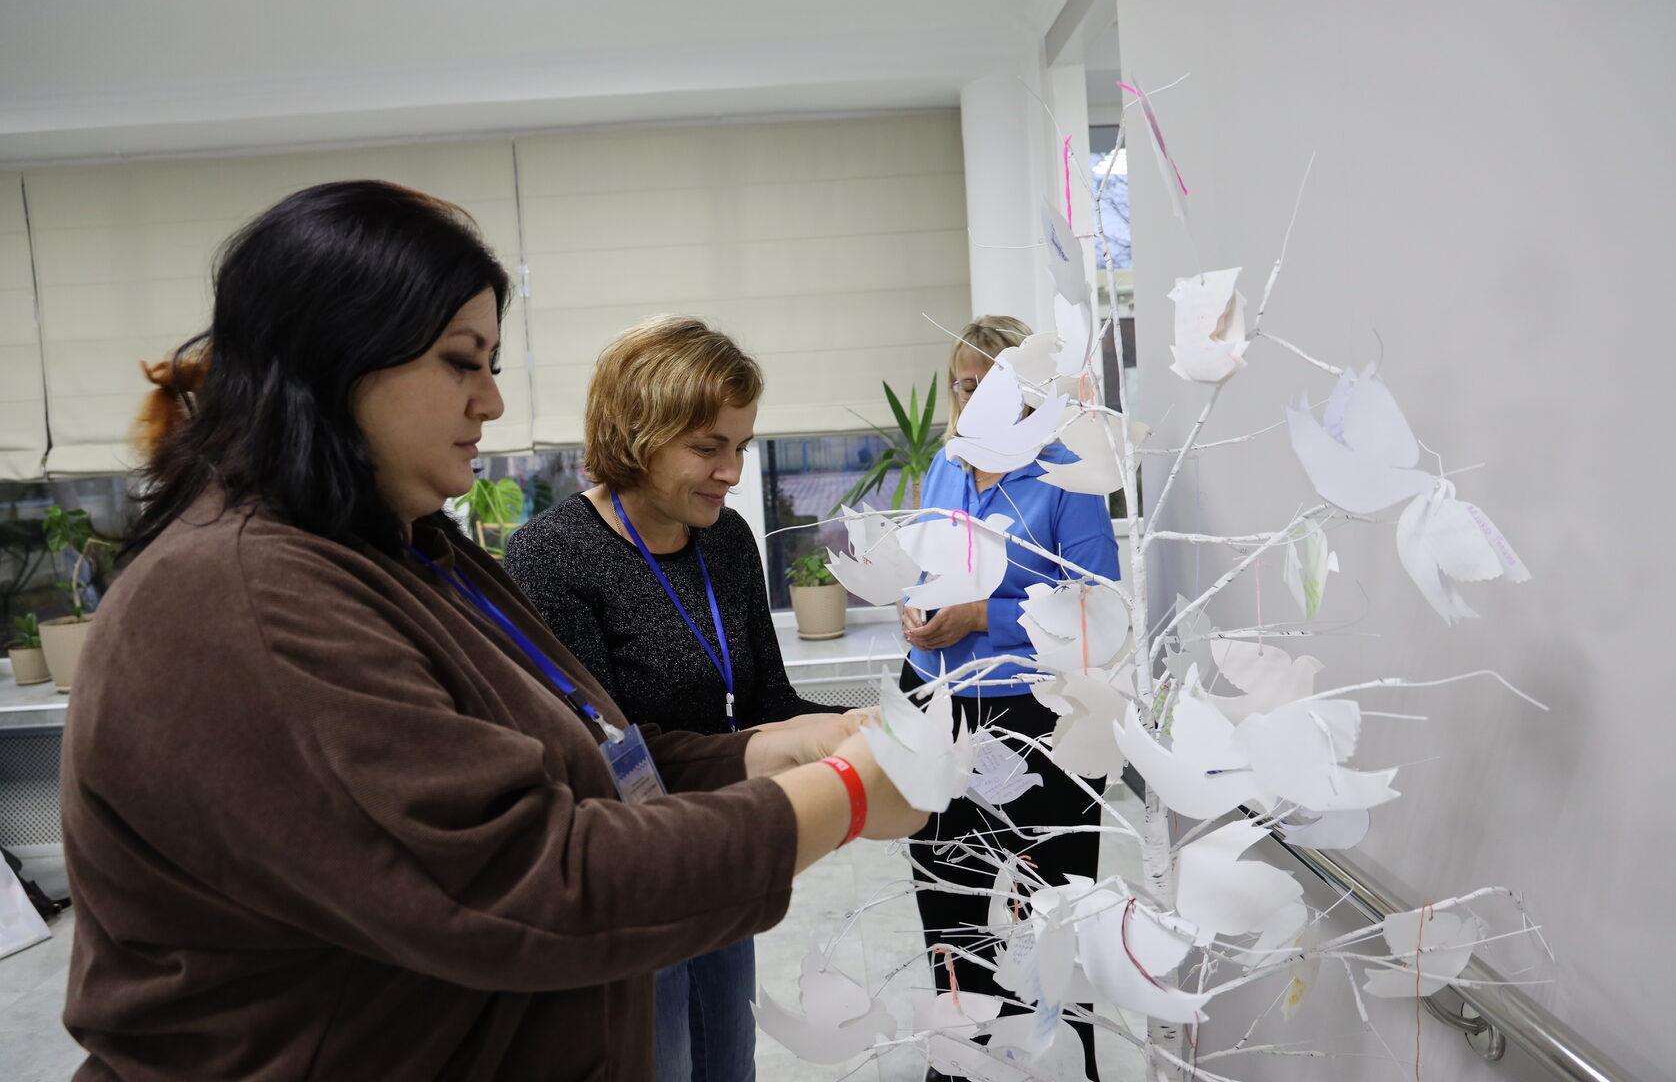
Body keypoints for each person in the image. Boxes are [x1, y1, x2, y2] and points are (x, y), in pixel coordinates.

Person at [58, 180, 926, 1082]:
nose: (492, 403)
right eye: (460, 362)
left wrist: (763, 752)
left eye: (493, 366)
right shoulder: (249, 596)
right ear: (337, 357)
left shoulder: (410, 550)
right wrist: (845, 795)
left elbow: (586, 760)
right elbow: (530, 883)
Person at [504, 316, 837, 1082]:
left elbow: (764, 698)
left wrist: (856, 730)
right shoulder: (552, 556)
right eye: (708, 448)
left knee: (729, 1061)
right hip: (632, 877)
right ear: (637, 435)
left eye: (741, 447)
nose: (732, 472)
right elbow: (597, 756)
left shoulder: (726, 540)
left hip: (717, 850)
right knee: (663, 1062)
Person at [900, 315, 1120, 1081]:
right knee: (948, 896)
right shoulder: (947, 465)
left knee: (1045, 909)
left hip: (1037, 718)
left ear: (1030, 392)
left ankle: (1058, 1062)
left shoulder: (1066, 474)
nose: (975, 400)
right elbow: (926, 563)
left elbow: (1099, 613)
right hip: (938, 704)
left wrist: (981, 617)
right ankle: (960, 1057)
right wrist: (915, 604)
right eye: (964, 385)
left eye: (993, 385)